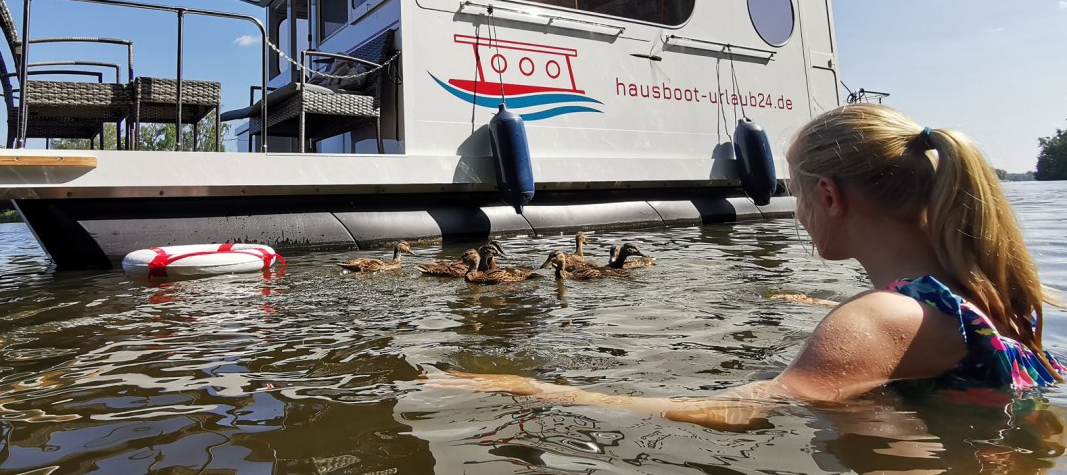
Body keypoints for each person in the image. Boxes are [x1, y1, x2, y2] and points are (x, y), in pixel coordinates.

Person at [436, 104, 1065, 430]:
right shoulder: (983, 289)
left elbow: (737, 410)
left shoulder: (876, 319)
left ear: (828, 196)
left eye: (795, 194)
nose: (796, 215)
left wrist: (525, 389)